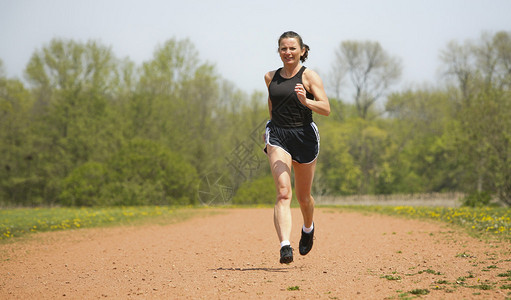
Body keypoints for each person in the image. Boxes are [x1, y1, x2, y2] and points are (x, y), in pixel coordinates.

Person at [263, 31, 330, 264]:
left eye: (292, 48)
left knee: (303, 197)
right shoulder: (270, 77)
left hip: (304, 136)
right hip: (278, 135)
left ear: (302, 51)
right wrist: (271, 128)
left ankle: (308, 227)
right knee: (283, 192)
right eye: (283, 48)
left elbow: (326, 108)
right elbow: (272, 105)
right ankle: (284, 245)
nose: (288, 52)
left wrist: (306, 101)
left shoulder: (309, 76)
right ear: (278, 51)